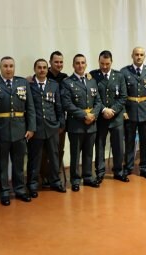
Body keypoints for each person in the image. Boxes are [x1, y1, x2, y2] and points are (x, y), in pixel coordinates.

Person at [0, 56, 36, 206]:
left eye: (11, 66)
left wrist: (31, 127)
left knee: (19, 163)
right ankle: (4, 192)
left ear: (14, 67)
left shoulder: (22, 82)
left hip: (20, 129)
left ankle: (20, 189)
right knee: (2, 163)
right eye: (5, 66)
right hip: (0, 130)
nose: (8, 69)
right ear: (0, 67)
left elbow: (30, 107)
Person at [61, 54, 103, 191]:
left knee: (89, 153)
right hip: (76, 125)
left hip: (91, 124)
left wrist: (94, 115)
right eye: (77, 63)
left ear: (86, 65)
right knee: (75, 154)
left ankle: (88, 177)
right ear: (73, 65)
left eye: (83, 63)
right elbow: (67, 104)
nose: (80, 65)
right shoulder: (67, 82)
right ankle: (75, 180)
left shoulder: (91, 81)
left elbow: (98, 101)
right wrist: (85, 115)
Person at [26, 59, 67, 194]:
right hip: (36, 127)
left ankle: (55, 181)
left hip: (52, 126)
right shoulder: (28, 85)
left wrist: (61, 123)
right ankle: (32, 183)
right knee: (35, 157)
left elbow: (58, 106)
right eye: (39, 67)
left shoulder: (54, 85)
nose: (42, 70)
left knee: (54, 156)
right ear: (35, 69)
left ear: (47, 69)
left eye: (44, 67)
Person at [89, 50, 128, 183]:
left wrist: (113, 110)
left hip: (116, 117)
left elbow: (123, 97)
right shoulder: (93, 76)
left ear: (111, 62)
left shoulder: (119, 76)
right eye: (102, 63)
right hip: (101, 117)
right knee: (99, 145)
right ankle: (100, 172)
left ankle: (118, 171)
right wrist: (104, 109)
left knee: (118, 145)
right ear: (98, 62)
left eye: (107, 63)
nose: (104, 66)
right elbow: (94, 96)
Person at [120, 47, 146, 180]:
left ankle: (144, 168)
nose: (139, 57)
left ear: (144, 56)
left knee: (145, 141)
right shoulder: (124, 72)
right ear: (132, 56)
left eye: (141, 55)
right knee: (129, 141)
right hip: (129, 111)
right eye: (136, 54)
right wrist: (123, 111)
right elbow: (122, 95)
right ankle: (128, 167)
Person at [39, 51, 69, 186]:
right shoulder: (44, 75)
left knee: (59, 149)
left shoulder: (65, 77)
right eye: (56, 62)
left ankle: (54, 174)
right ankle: (43, 175)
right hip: (45, 121)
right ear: (50, 62)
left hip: (60, 119)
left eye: (61, 62)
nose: (59, 64)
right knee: (44, 151)